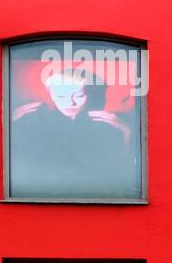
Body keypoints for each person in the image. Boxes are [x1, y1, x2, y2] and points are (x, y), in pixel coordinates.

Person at [10, 66, 138, 198]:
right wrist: (10, 124)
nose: (69, 103)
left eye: (78, 95)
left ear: (88, 94)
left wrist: (126, 131)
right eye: (60, 96)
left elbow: (122, 170)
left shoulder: (108, 123)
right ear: (51, 96)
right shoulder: (32, 120)